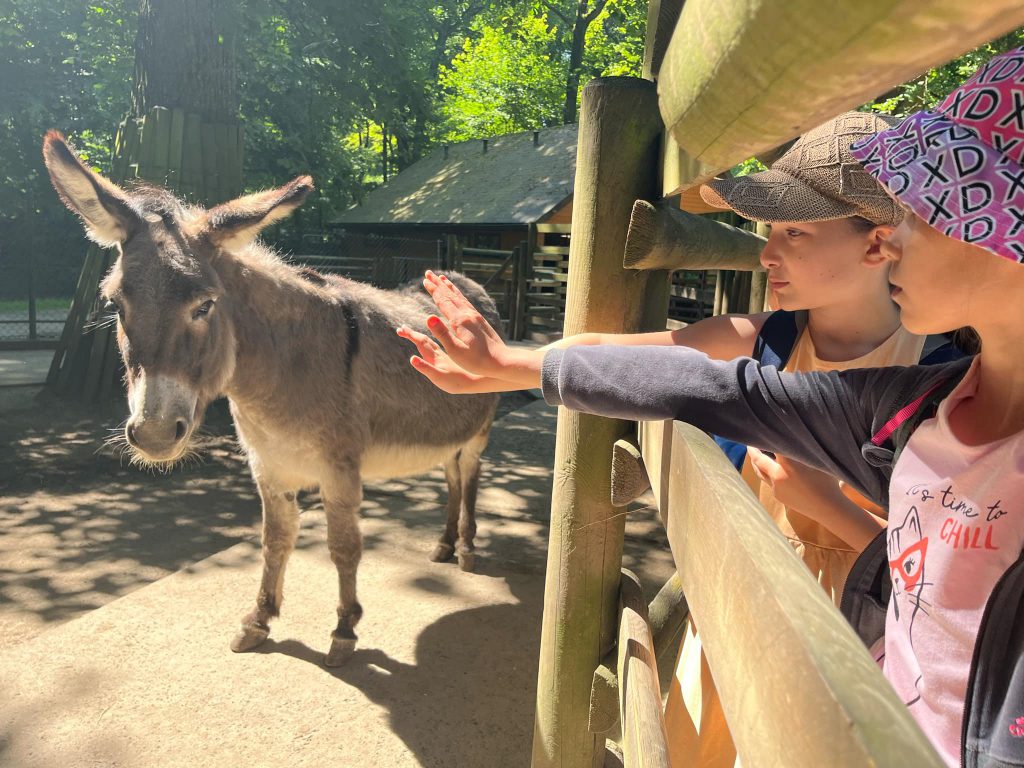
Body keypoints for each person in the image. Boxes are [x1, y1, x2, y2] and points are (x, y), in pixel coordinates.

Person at [400, 47, 1024, 768]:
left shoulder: (920, 383)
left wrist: (826, 509)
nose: (768, 255)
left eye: (795, 231)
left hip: (851, 638)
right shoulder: (915, 404)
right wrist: (511, 364)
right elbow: (694, 378)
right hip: (748, 602)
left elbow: (927, 586)